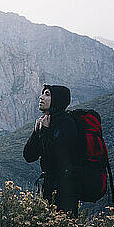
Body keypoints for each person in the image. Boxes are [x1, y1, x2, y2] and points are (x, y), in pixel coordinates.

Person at [23, 84, 81, 217]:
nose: (41, 97)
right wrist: (37, 132)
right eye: (43, 93)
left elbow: (58, 157)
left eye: (47, 94)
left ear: (58, 99)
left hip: (65, 188)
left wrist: (45, 132)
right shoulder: (45, 122)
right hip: (49, 185)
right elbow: (29, 156)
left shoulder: (66, 123)